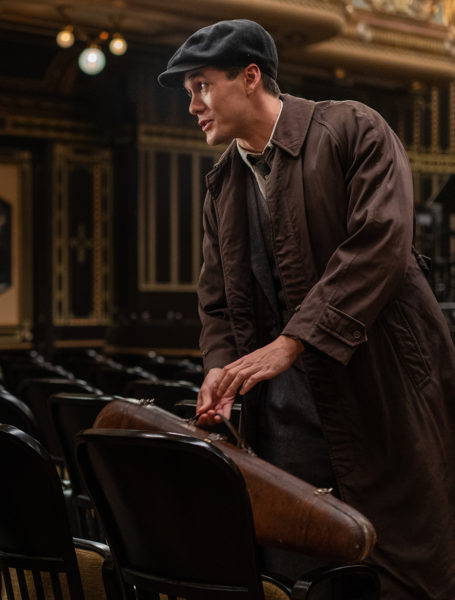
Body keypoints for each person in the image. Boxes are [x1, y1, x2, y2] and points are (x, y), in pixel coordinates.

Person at [158, 19, 455, 599]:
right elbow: (215, 303)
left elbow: (381, 242)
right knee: (298, 573)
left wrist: (293, 341)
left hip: (384, 397)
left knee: (404, 571)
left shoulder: (353, 127)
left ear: (250, 77)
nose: (192, 106)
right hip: (285, 419)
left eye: (201, 86)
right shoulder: (222, 185)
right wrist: (219, 369)